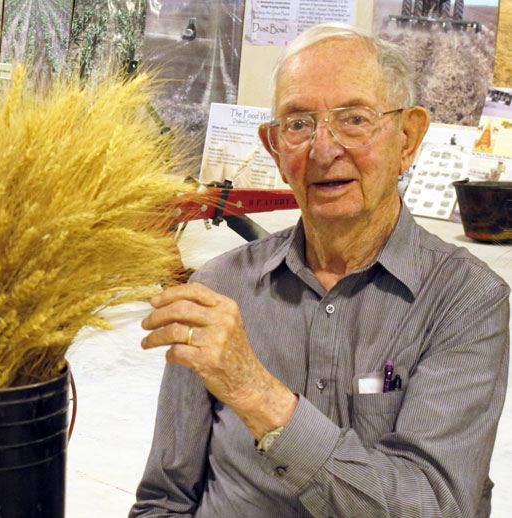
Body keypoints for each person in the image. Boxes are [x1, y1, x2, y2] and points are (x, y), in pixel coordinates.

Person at [129, 22, 510, 518]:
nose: (324, 149)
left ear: (408, 138)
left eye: (354, 119)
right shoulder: (219, 290)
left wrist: (258, 394)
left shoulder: (465, 301)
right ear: (275, 149)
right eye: (298, 123)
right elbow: (164, 501)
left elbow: (432, 505)